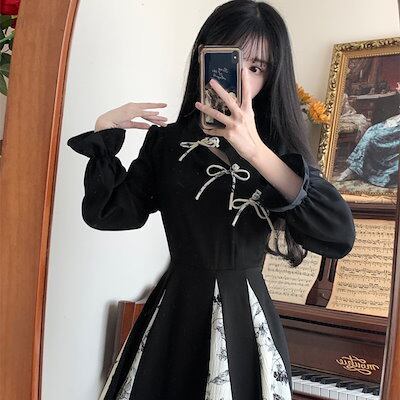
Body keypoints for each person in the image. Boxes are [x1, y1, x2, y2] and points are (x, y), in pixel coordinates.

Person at [67, 1, 356, 399]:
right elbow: (111, 214)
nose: (240, 80)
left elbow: (338, 236)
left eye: (256, 68)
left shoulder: (277, 152)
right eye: (230, 62)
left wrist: (255, 151)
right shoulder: (167, 142)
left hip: (245, 318)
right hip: (175, 313)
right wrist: (104, 136)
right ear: (203, 59)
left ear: (273, 76)